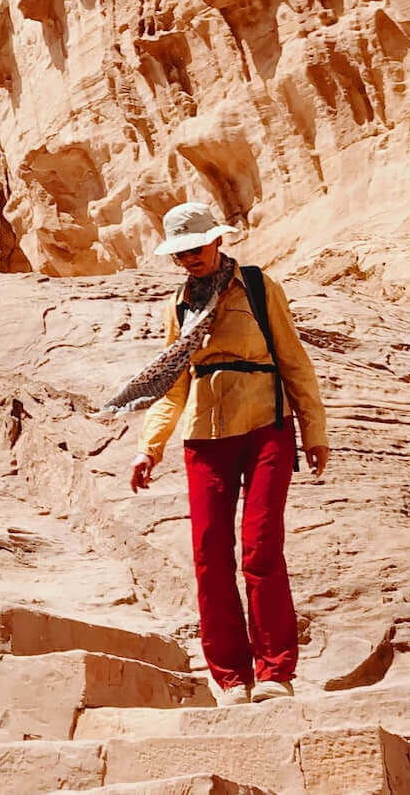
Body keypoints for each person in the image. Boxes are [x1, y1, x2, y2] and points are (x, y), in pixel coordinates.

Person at [123, 202, 328, 707]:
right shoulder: (179, 305)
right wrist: (149, 448)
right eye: (180, 254)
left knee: (260, 549)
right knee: (209, 557)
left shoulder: (257, 287)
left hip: (265, 427)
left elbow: (293, 359)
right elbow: (174, 383)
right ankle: (232, 678)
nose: (189, 260)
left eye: (195, 249)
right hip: (204, 436)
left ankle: (276, 670)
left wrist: (313, 430)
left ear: (216, 242)